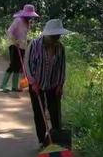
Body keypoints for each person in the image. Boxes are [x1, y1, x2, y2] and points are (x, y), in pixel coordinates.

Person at [25, 19, 71, 148]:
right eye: (54, 36)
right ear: (47, 35)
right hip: (36, 84)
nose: (56, 38)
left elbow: (62, 67)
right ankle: (42, 141)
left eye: (58, 36)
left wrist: (60, 85)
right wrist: (33, 83)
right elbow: (27, 65)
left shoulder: (60, 48)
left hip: (53, 84)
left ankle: (57, 141)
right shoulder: (34, 45)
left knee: (55, 113)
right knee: (39, 113)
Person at [0, 4, 39, 92]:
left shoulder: (27, 23)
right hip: (14, 45)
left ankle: (14, 86)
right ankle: (3, 85)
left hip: (22, 46)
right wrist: (15, 40)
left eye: (31, 16)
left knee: (18, 66)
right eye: (29, 16)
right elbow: (10, 31)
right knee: (13, 65)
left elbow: (24, 35)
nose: (30, 18)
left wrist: (27, 41)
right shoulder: (18, 20)